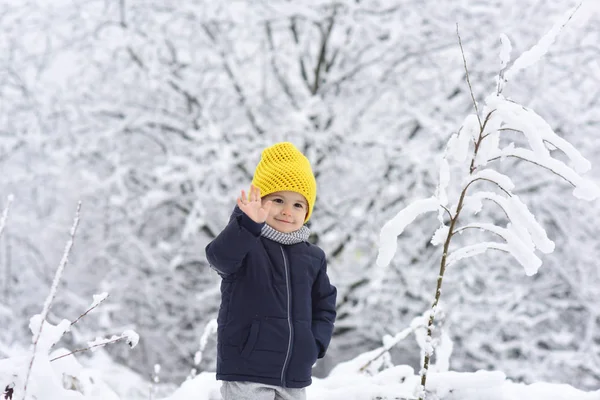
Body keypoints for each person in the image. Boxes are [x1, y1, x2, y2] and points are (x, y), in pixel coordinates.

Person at [205, 142, 337, 400]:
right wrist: (246, 223)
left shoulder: (313, 257)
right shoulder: (246, 243)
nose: (288, 211)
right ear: (260, 200)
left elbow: (324, 305)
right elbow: (219, 258)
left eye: (299, 205)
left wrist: (315, 344)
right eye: (278, 200)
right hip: (247, 370)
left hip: (294, 374)